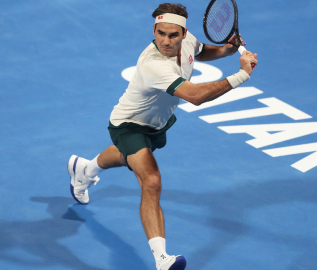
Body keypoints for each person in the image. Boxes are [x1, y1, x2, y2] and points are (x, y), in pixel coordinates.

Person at [67, 3, 258, 270]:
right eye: (161, 34)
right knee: (151, 180)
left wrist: (225, 50)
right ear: (154, 30)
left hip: (156, 124)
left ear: (184, 33)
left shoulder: (188, 41)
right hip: (128, 124)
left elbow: (201, 52)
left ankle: (84, 169)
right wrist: (241, 75)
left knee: (126, 156)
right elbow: (195, 96)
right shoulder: (153, 64)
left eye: (173, 35)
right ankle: (162, 259)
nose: (166, 41)